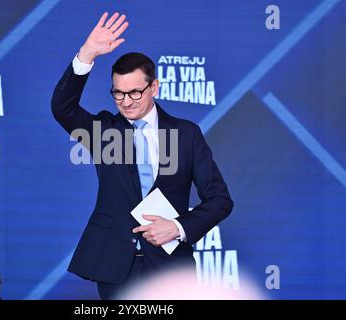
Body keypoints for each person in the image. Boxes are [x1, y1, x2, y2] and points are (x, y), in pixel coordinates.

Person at [51, 12, 233, 300]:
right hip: (115, 266)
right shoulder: (104, 132)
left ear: (154, 87)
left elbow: (220, 200)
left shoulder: (186, 134)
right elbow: (63, 108)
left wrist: (177, 227)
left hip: (170, 267)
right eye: (118, 94)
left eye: (135, 92)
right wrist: (87, 54)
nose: (126, 102)